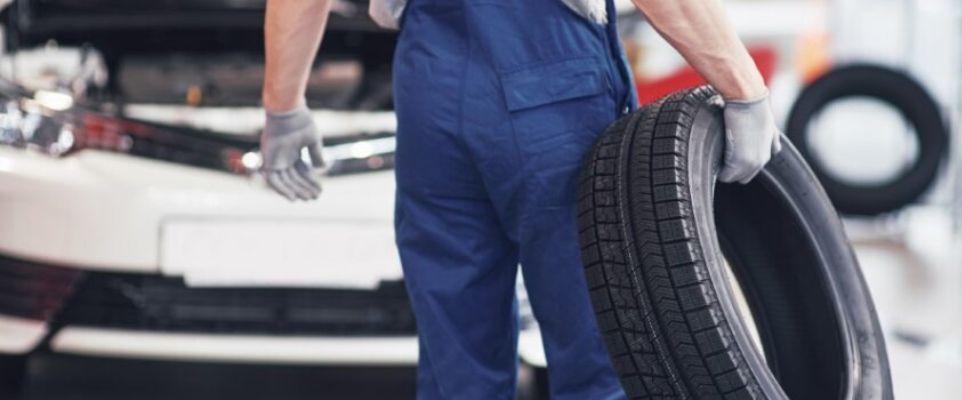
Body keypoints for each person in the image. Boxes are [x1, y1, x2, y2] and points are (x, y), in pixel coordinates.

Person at [260, 0, 781, 398]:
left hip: (429, 75)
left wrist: (284, 105)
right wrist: (743, 88)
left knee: (455, 355)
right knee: (602, 341)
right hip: (550, 77)